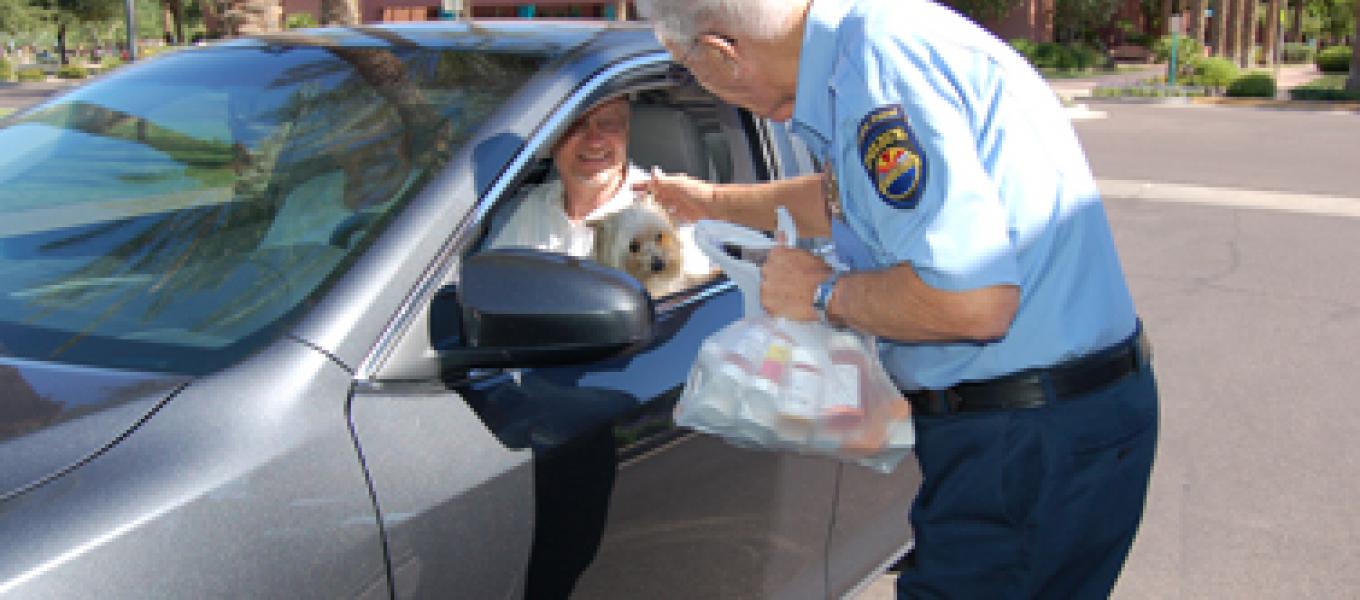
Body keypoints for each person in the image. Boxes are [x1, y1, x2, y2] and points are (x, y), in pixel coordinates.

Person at [632, 0, 1159, 598]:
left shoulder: (878, 66)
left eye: (688, 68)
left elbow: (974, 303)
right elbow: (851, 199)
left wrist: (820, 293)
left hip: (1022, 444)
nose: (700, 84)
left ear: (721, 52)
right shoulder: (876, 38)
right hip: (1056, 428)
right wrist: (711, 202)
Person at [484, 96, 712, 278]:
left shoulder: (669, 212)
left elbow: (688, 310)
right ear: (552, 137)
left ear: (626, 131)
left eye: (608, 124)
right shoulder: (522, 212)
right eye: (575, 125)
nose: (594, 141)